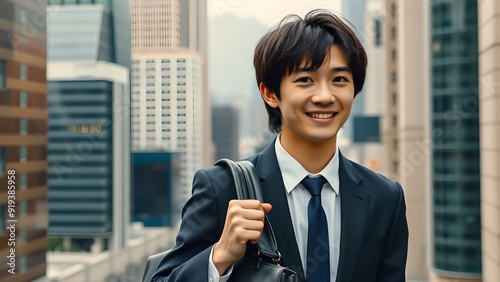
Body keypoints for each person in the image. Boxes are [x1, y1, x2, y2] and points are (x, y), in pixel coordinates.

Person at [152, 9, 408, 282]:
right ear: (270, 93)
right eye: (305, 80)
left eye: (339, 79)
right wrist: (220, 256)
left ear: (354, 91)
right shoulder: (222, 188)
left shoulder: (384, 197)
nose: (325, 96)